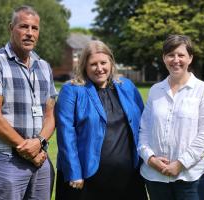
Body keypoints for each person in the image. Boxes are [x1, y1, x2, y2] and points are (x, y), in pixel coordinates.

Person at [0, 5, 56, 200]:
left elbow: (50, 115)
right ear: (11, 28)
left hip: (40, 159)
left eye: (34, 28)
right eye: (23, 27)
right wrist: (28, 150)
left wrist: (39, 143)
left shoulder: (44, 67)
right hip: (6, 160)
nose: (29, 33)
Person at [55, 40, 148, 200]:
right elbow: (65, 134)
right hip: (86, 178)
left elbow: (143, 125)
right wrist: (74, 172)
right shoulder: (72, 90)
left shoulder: (127, 86)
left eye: (103, 63)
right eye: (93, 64)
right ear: (84, 65)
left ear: (111, 62)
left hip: (127, 177)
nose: (99, 68)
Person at [138, 34, 204, 200]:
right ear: (164, 58)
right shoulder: (155, 90)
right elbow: (143, 129)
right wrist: (150, 159)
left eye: (181, 55)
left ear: (190, 58)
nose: (176, 60)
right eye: (170, 55)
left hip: (191, 178)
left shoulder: (202, 89)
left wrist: (180, 164)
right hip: (155, 177)